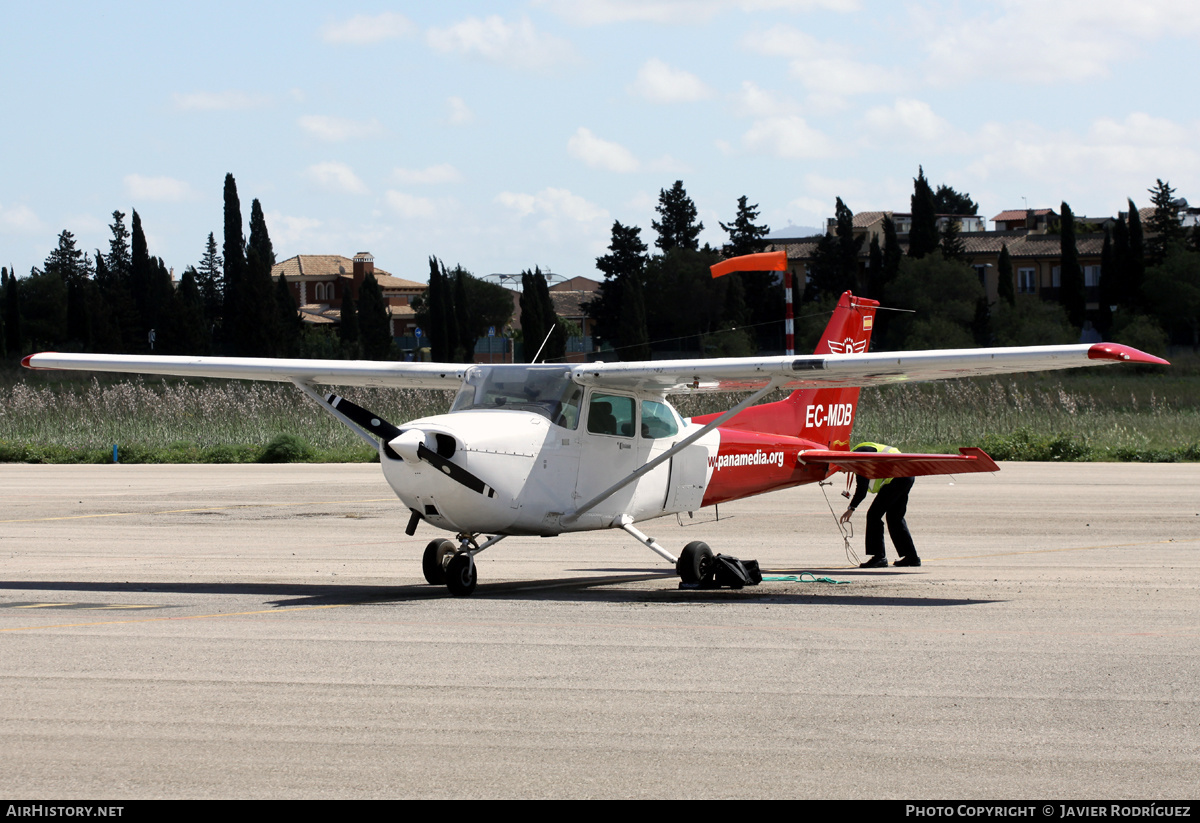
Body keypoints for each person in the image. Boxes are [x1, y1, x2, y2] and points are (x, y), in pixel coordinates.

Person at [838, 442, 920, 568]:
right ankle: (911, 557)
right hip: (905, 475)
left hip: (898, 477)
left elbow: (862, 489)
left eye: (839, 468)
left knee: (873, 515)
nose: (842, 472)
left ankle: (879, 557)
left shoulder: (859, 457)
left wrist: (851, 508)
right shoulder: (859, 453)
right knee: (894, 517)